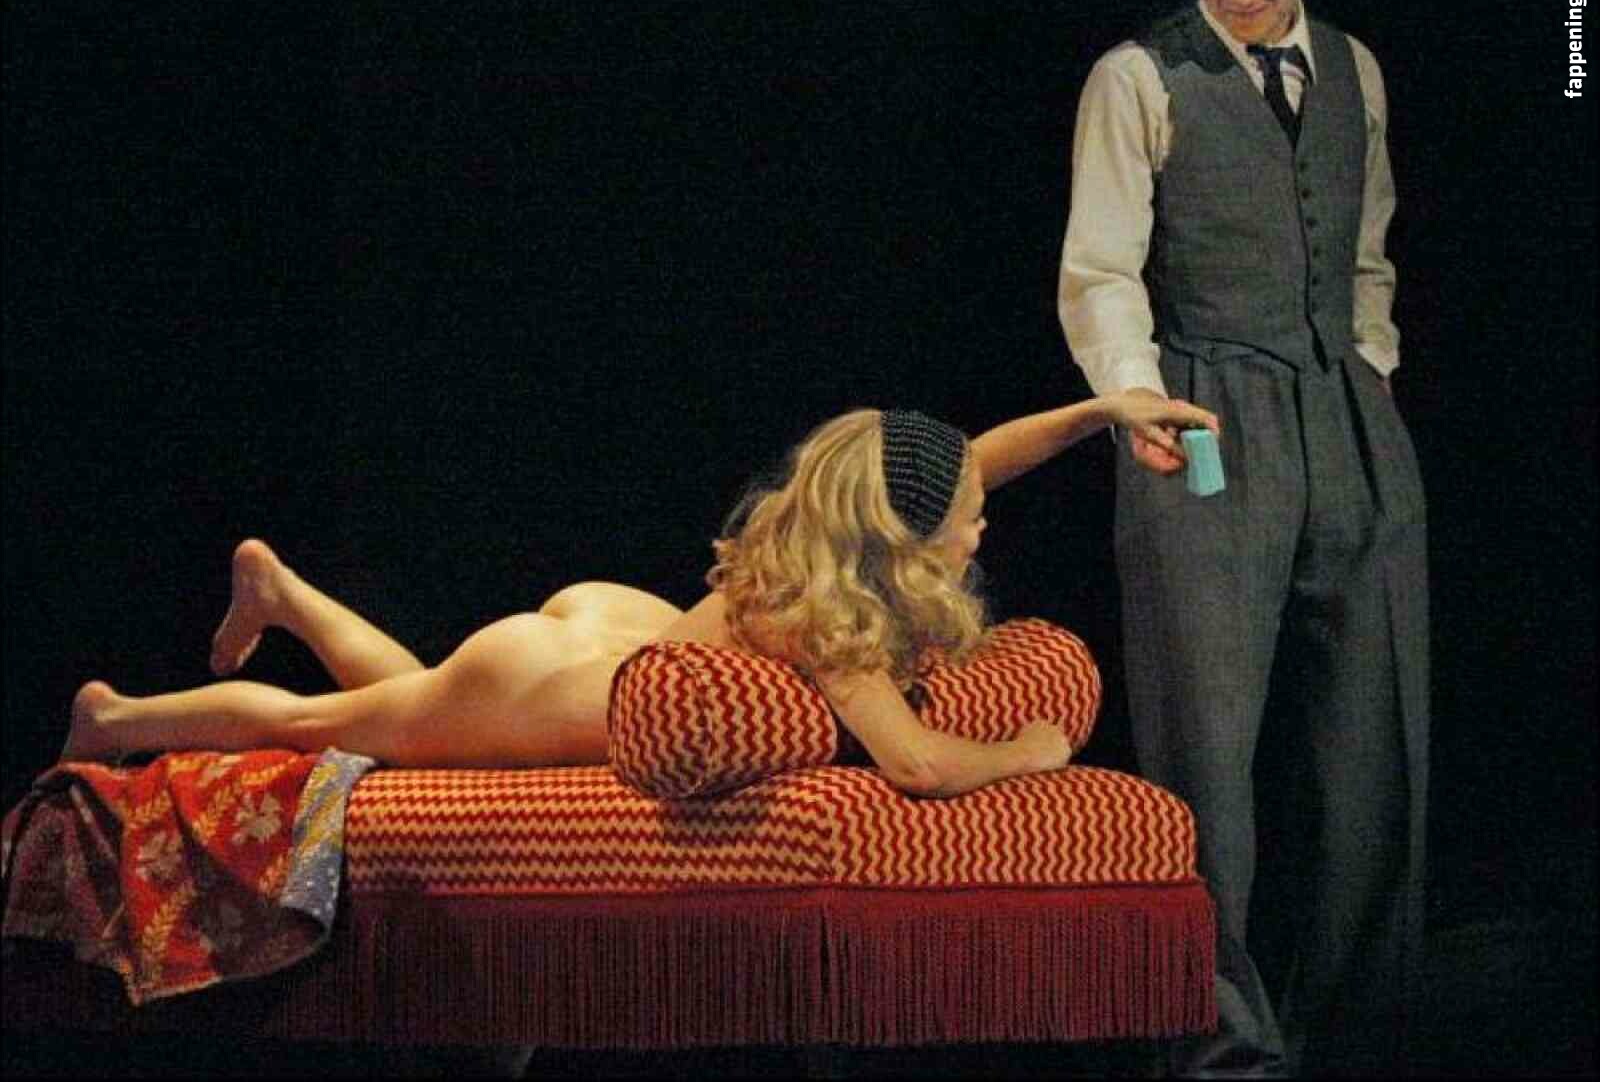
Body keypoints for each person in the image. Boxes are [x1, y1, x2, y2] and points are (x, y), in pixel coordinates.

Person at [60, 392, 1217, 800]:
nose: (980, 519)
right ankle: (115, 718)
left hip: (612, 641)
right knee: (328, 728)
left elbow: (964, 462)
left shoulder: (823, 529)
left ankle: (284, 592)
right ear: (901, 538)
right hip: (551, 683)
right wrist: (1025, 752)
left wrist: (1098, 414)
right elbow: (913, 762)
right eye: (963, 516)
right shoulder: (836, 622)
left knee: (404, 711)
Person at [1057, 0, 1428, 1076]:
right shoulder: (1138, 77)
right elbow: (1101, 269)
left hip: (1344, 412)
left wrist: (1369, 368)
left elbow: (1365, 249)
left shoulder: (1355, 69)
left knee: (1373, 739)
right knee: (1204, 751)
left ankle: (1355, 1028)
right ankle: (1221, 1043)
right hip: (1204, 412)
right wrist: (1134, 395)